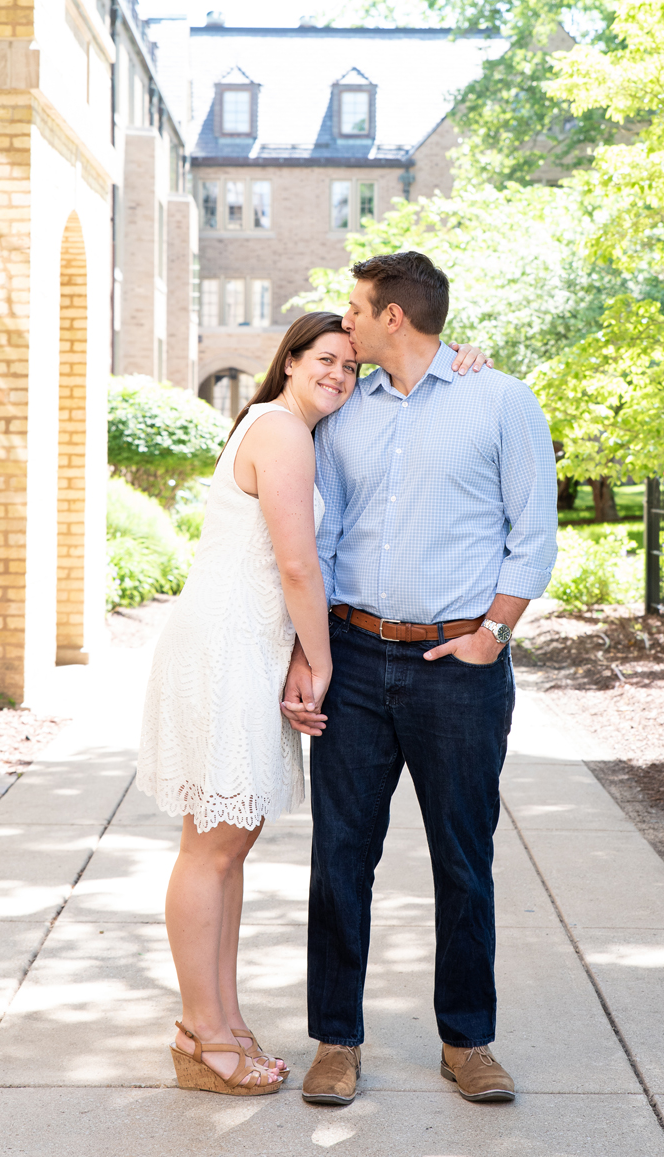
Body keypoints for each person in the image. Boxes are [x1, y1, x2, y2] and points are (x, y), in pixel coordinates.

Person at [137, 312, 487, 1096]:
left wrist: (464, 354)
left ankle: (219, 1021)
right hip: (230, 648)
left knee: (227, 846)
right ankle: (204, 1035)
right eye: (325, 358)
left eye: (350, 365)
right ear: (291, 359)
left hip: (245, 647)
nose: (339, 373)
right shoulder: (283, 432)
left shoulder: (288, 426)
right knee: (212, 848)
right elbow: (298, 565)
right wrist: (321, 664)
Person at [279, 249, 557, 1108]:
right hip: (356, 657)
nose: (346, 321)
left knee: (464, 859)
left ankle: (467, 1041)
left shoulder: (500, 400)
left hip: (458, 668)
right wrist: (309, 651)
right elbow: (319, 540)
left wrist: (493, 633)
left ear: (391, 315)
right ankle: (336, 1040)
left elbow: (533, 533)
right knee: (339, 858)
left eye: (355, 307)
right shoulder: (340, 409)